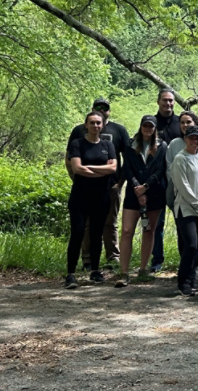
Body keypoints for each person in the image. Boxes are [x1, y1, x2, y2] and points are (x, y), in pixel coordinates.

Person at [65, 98, 129, 270]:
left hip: (110, 188)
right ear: (87, 123)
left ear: (109, 112)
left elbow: (120, 163)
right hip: (82, 189)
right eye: (97, 109)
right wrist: (78, 174)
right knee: (83, 228)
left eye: (105, 108)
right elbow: (72, 163)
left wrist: (120, 182)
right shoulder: (78, 135)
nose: (101, 111)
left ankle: (111, 259)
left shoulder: (117, 133)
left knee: (108, 224)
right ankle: (84, 263)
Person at [64, 112, 117, 288]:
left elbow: (113, 168)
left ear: (102, 126)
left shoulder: (107, 145)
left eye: (98, 123)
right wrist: (102, 169)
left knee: (96, 234)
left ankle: (95, 271)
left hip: (101, 197)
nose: (95, 126)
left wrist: (89, 168)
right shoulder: (77, 144)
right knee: (78, 233)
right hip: (80, 197)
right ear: (86, 125)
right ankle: (71, 274)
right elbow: (77, 168)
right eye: (92, 123)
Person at [116, 116, 167, 287]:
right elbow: (127, 168)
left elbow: (161, 169)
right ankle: (124, 273)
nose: (147, 128)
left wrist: (146, 186)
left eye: (151, 126)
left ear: (155, 128)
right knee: (127, 230)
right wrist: (138, 188)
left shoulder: (162, 146)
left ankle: (143, 269)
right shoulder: (130, 145)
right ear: (141, 126)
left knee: (149, 230)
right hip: (133, 193)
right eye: (145, 125)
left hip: (154, 194)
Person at [166, 111, 198, 285]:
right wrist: (196, 203)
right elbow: (182, 186)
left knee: (197, 244)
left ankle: (193, 278)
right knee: (191, 244)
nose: (194, 141)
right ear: (185, 139)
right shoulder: (180, 159)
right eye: (191, 138)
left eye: (197, 139)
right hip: (186, 208)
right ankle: (183, 280)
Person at [150, 88, 181, 272]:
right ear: (158, 101)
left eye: (171, 100)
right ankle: (157, 260)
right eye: (165, 100)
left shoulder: (181, 123)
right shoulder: (152, 123)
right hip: (157, 181)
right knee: (157, 223)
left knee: (182, 221)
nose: (168, 103)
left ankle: (184, 258)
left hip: (178, 180)